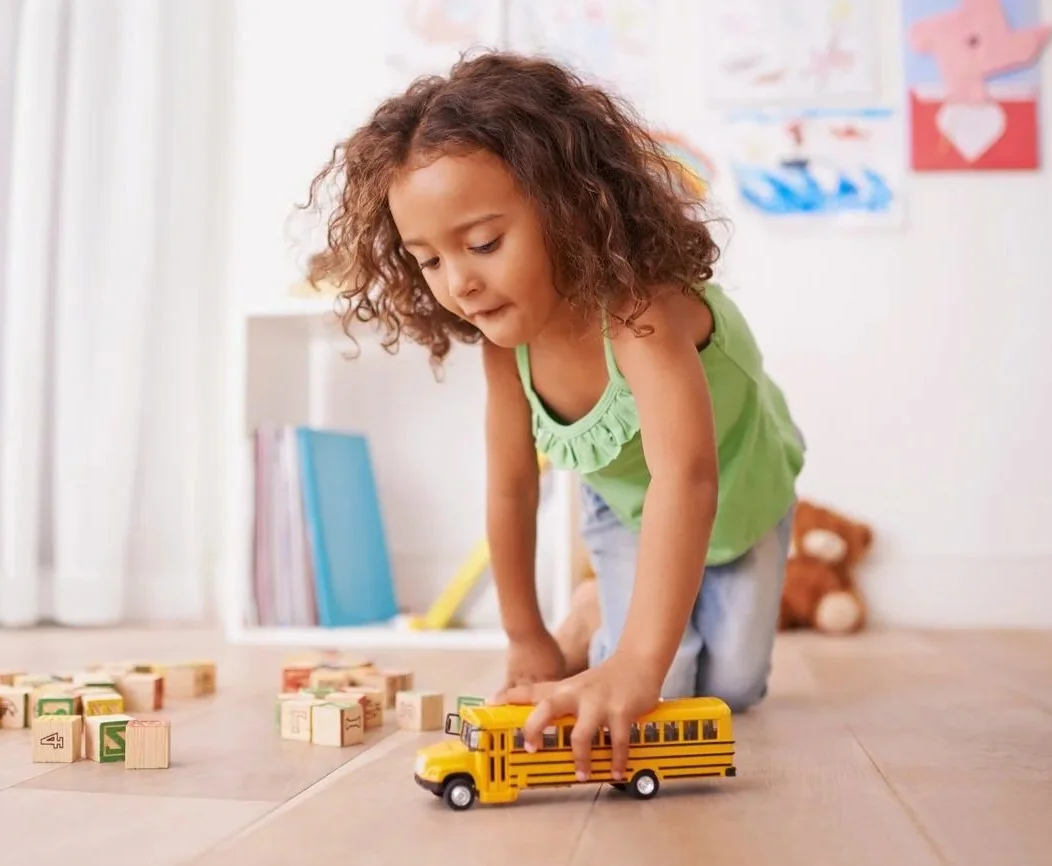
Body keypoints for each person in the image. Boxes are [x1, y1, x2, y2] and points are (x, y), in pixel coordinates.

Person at [300, 51, 805, 783]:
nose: (460, 284)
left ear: (568, 207)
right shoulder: (507, 346)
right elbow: (511, 487)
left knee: (733, 688)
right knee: (668, 694)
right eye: (428, 261)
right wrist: (526, 633)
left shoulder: (641, 314)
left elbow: (688, 478)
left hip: (738, 494)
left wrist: (634, 660)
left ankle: (616, 615)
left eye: (481, 244)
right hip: (630, 511)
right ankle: (593, 606)